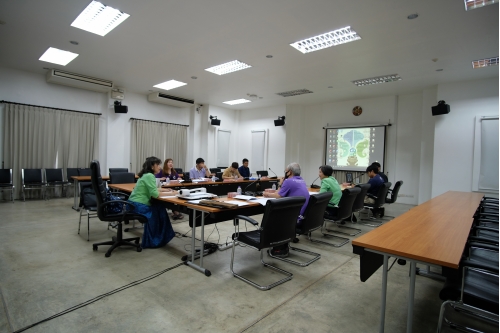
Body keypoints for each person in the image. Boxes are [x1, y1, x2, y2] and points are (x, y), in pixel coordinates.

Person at [128, 156, 177, 248]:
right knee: (158, 211)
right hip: (138, 205)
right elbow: (155, 194)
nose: (160, 167)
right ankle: (153, 241)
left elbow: (152, 189)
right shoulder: (150, 176)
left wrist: (163, 190)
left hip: (132, 204)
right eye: (158, 165)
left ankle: (160, 237)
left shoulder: (146, 175)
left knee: (159, 207)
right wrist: (174, 194)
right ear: (152, 166)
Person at [263, 162, 310, 258]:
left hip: (294, 218)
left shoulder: (288, 181)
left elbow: (278, 195)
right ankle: (286, 240)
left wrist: (267, 194)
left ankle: (279, 248)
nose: (285, 172)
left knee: (271, 218)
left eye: (286, 171)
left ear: (290, 172)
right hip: (302, 216)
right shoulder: (301, 180)